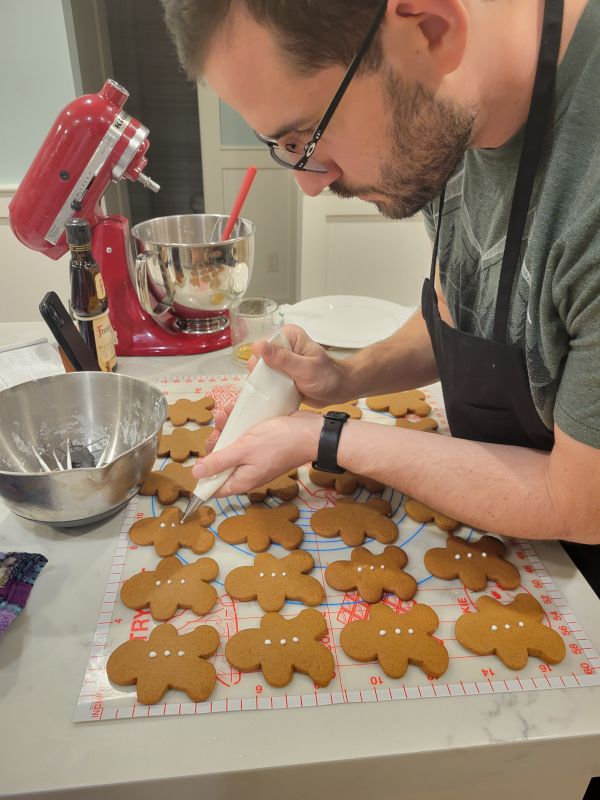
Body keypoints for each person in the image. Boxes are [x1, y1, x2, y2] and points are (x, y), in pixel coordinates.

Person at [160, 0, 600, 592]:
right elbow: (471, 311)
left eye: (302, 138)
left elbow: (577, 501)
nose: (310, 186)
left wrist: (329, 438)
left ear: (430, 30)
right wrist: (346, 378)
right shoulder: (455, 108)